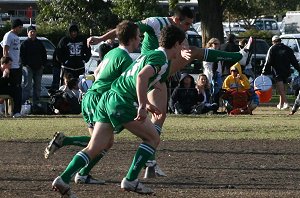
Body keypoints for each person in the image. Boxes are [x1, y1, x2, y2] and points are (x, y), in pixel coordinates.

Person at [87, 6, 243, 177]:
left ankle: (150, 162)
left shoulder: (178, 33)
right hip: (151, 70)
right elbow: (126, 28)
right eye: (187, 24)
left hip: (158, 73)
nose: (188, 27)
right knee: (191, 55)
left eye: (191, 24)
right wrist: (101, 38)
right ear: (176, 20)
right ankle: (237, 57)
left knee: (159, 116)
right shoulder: (155, 23)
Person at [51, 25, 188, 197]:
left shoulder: (151, 55)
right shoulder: (160, 58)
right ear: (175, 44)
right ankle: (131, 180)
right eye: (182, 44)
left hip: (108, 98)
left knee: (95, 147)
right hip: (121, 102)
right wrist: (141, 105)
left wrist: (145, 102)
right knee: (153, 137)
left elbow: (135, 78)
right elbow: (141, 77)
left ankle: (63, 179)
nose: (184, 47)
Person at [45, 21, 140, 185]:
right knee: (101, 143)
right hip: (100, 100)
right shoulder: (125, 59)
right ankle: (74, 169)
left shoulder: (112, 53)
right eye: (139, 36)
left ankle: (81, 171)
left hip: (90, 97)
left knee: (102, 142)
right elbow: (131, 84)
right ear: (132, 39)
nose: (140, 40)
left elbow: (96, 72)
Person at [262, 35, 300, 110]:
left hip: (277, 71)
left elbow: (268, 61)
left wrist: (264, 72)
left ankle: (286, 103)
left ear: (273, 42)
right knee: (283, 88)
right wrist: (299, 69)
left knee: (280, 89)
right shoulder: (288, 49)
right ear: (280, 40)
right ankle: (280, 104)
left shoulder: (272, 48)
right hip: (286, 71)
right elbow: (294, 61)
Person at [20, 25, 47, 111]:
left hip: (39, 68)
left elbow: (44, 54)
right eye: (31, 32)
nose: (33, 33)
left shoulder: (39, 43)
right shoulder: (24, 44)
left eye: (34, 32)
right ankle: (24, 103)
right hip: (28, 68)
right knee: (27, 86)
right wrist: (25, 64)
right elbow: (21, 56)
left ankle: (36, 104)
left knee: (38, 86)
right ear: (27, 33)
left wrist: (43, 65)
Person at [2, 19, 23, 118]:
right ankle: (15, 111)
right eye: (20, 27)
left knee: (18, 88)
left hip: (17, 66)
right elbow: (5, 50)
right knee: (15, 89)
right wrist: (6, 66)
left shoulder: (16, 37)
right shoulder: (8, 35)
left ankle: (16, 111)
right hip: (11, 67)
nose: (21, 29)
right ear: (15, 27)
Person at [202, 38, 223, 110]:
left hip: (217, 75)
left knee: (216, 91)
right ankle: (209, 107)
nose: (217, 45)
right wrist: (212, 73)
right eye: (215, 44)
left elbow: (219, 65)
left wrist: (219, 73)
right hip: (210, 75)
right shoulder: (209, 51)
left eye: (218, 44)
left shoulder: (218, 52)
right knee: (210, 91)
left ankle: (215, 107)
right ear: (211, 44)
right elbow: (206, 65)